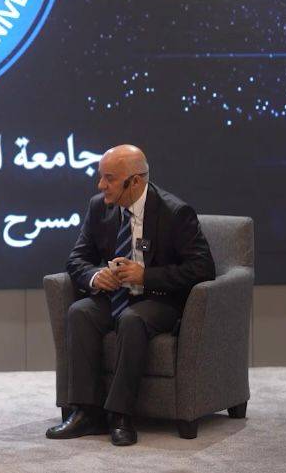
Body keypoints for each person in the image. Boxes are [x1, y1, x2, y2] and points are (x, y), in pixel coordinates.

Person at [45, 145, 215, 446]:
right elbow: (77, 259)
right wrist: (96, 276)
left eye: (109, 178)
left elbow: (202, 268)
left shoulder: (175, 213)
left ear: (135, 181)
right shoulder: (99, 207)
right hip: (116, 295)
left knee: (131, 319)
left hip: (160, 298)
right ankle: (87, 412)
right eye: (101, 177)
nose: (101, 185)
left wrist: (145, 276)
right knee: (80, 312)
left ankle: (121, 415)